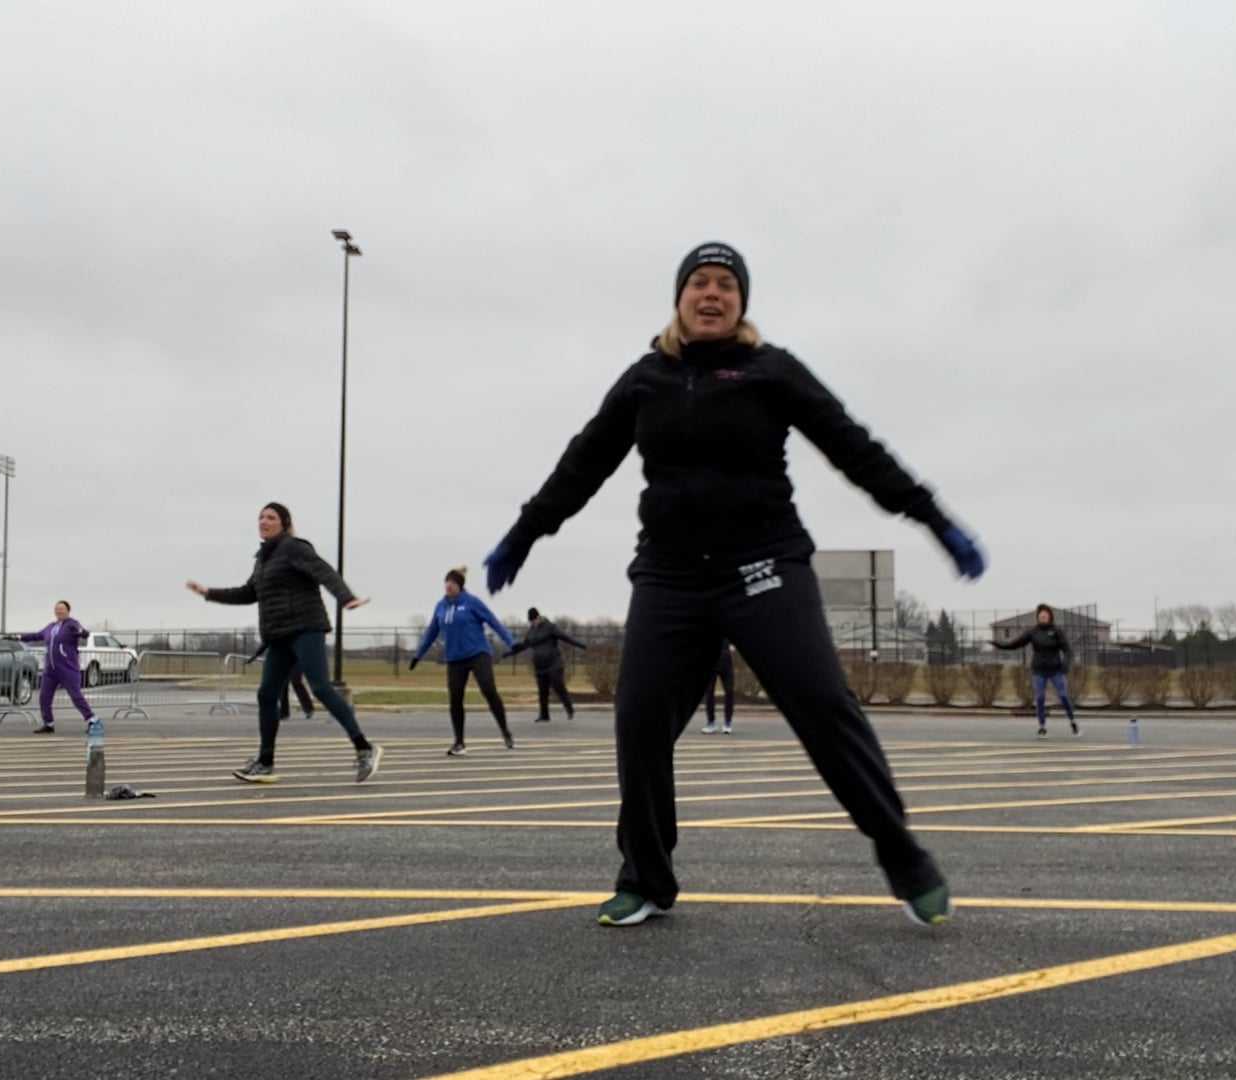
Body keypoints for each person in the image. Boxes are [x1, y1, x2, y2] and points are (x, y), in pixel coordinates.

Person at [480, 241, 985, 928]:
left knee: (822, 705)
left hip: (764, 564)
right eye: (699, 283)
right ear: (679, 298)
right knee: (639, 721)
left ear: (741, 303)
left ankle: (904, 857)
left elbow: (853, 447)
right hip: (670, 574)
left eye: (725, 285)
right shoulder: (645, 379)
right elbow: (583, 463)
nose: (711, 294)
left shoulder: (770, 371)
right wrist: (525, 532)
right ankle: (646, 878)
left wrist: (932, 516)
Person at [187, 502, 381, 784]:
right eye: (260, 517)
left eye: (270, 517)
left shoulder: (294, 547)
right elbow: (248, 592)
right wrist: (208, 593)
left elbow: (323, 572)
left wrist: (345, 597)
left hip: (306, 628)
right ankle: (266, 762)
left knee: (321, 688)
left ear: (284, 523)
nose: (263, 521)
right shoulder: (264, 558)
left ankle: (365, 748)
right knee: (267, 695)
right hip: (279, 635)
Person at [412, 568, 519, 755]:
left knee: (488, 690)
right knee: (455, 699)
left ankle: (505, 732)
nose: (448, 586)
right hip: (454, 659)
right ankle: (459, 742)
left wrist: (511, 642)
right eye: (446, 583)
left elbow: (493, 621)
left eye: (452, 583)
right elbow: (431, 632)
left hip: (478, 653)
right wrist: (418, 655)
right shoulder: (441, 606)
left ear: (459, 586)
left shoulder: (472, 602)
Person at [991, 604, 1078, 738]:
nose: (1043, 617)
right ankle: (1042, 727)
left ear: (1050, 616)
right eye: (1040, 615)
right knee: (1040, 698)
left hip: (1056, 670)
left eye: (1045, 615)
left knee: (1063, 696)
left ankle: (1072, 722)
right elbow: (1016, 644)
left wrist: (1065, 664)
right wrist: (999, 645)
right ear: (1038, 617)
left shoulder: (1056, 631)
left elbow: (1067, 649)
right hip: (1039, 670)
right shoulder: (1033, 632)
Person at [13, 600, 95, 735]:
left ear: (68, 611)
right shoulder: (50, 627)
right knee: (44, 696)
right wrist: (18, 637)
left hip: (67, 668)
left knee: (76, 696)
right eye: (57, 609)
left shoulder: (71, 624)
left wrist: (79, 631)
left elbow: (85, 634)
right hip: (51, 669)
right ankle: (48, 723)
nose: (59, 611)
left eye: (62, 609)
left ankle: (92, 720)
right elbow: (36, 636)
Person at [507, 607, 586, 722]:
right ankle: (544, 715)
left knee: (558, 687)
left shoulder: (550, 627)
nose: (533, 623)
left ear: (538, 617)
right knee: (542, 691)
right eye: (531, 621)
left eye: (534, 620)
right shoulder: (531, 631)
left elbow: (565, 637)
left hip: (554, 663)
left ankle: (569, 709)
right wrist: (511, 652)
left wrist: (582, 646)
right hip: (540, 666)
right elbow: (525, 645)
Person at [700, 641, 735, 735]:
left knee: (729, 691)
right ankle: (711, 722)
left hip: (726, 662)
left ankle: (728, 722)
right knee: (709, 692)